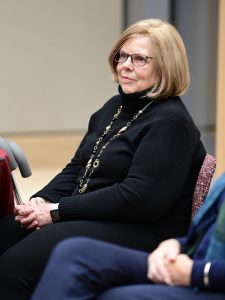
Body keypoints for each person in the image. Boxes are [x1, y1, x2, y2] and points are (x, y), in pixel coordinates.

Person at [0, 19, 206, 299]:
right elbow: (76, 169)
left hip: (143, 231)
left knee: (15, 265)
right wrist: (41, 200)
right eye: (122, 55)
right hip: (94, 215)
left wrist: (57, 211)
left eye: (140, 59)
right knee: (6, 231)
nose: (125, 65)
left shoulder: (171, 122)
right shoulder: (114, 107)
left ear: (166, 65)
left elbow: (139, 198)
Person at [31, 172, 225, 300]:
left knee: (117, 297)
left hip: (208, 276)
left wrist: (199, 273)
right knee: (74, 252)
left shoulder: (170, 123)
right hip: (194, 260)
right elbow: (207, 230)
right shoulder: (106, 115)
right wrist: (175, 243)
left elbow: (137, 197)